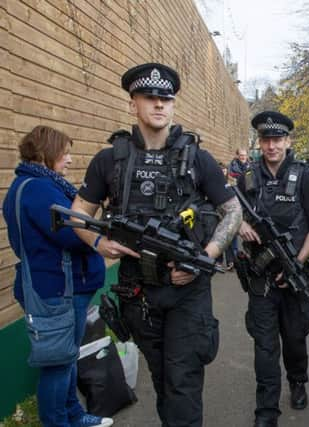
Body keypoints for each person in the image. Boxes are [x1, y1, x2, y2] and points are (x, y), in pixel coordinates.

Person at [70, 63, 242, 427]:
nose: (160, 104)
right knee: (164, 381)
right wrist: (99, 242)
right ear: (133, 103)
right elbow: (77, 214)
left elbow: (232, 212)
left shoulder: (197, 158)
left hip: (188, 292)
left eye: (166, 98)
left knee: (183, 382)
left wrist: (205, 256)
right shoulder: (110, 159)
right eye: (150, 97)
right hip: (138, 294)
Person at [3, 126, 111, 427]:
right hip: (57, 290)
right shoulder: (38, 189)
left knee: (65, 358)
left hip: (60, 287)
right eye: (65, 154)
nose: (70, 160)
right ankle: (58, 421)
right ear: (46, 154)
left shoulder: (36, 185)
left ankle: (73, 415)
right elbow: (75, 234)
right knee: (57, 365)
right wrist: (99, 228)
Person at [236, 111, 309, 427]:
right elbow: (229, 213)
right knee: (264, 346)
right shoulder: (246, 178)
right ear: (259, 143)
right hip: (260, 278)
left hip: (294, 273)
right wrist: (240, 227)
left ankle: (298, 379)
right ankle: (266, 412)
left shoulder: (306, 176)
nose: (272, 146)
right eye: (266, 140)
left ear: (288, 141)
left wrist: (298, 263)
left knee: (294, 337)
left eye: (278, 139)